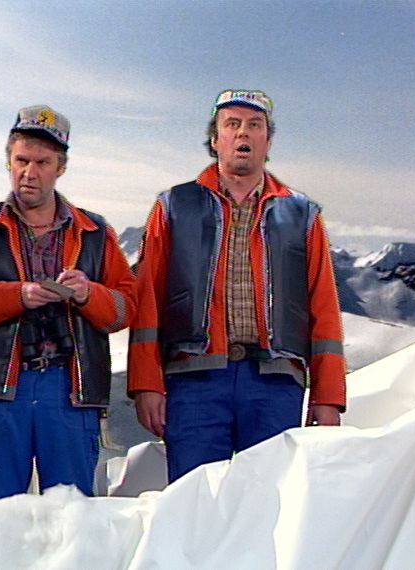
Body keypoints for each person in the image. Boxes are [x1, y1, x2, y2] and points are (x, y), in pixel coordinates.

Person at [128, 90, 346, 483]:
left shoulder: (302, 214)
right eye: (232, 124)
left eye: (254, 125)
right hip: (193, 379)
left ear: (267, 139)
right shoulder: (174, 205)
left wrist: (327, 396)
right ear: (215, 139)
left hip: (275, 383)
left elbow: (324, 308)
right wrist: (146, 384)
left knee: (267, 501)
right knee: (193, 498)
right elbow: (147, 301)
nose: (243, 133)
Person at [0, 105, 136, 506]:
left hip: (69, 391)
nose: (29, 172)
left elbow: (126, 309)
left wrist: (88, 294)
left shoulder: (96, 232)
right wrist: (16, 296)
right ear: (8, 162)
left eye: (42, 162)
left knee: (70, 514)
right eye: (21, 160)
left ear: (61, 167)